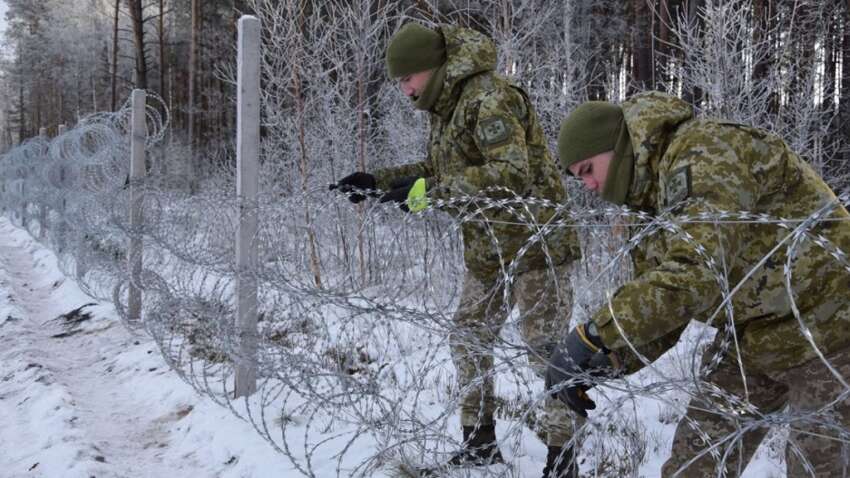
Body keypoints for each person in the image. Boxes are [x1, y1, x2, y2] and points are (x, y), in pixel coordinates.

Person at [546, 91, 850, 476]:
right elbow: (666, 308)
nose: (588, 185)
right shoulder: (648, 203)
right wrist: (606, 362)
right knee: (695, 466)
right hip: (751, 339)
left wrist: (594, 332)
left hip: (830, 325)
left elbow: (696, 274)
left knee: (814, 467)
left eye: (588, 169)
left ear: (617, 145)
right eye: (579, 178)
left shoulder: (705, 152)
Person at [331, 23, 581, 477]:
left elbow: (511, 173)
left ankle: (562, 462)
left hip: (536, 244)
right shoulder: (446, 107)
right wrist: (380, 181)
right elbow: (438, 168)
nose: (404, 88)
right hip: (487, 247)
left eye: (407, 78)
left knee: (545, 352)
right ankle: (479, 444)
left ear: (433, 68)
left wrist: (429, 192)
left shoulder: (490, 97)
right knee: (467, 338)